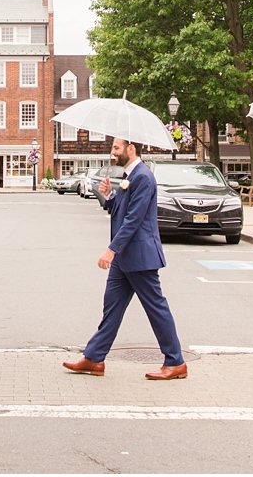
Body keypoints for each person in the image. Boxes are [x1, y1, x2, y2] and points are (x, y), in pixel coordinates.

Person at [63, 136, 186, 380]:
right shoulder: (129, 177)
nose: (113, 152)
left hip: (140, 256)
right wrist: (107, 195)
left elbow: (134, 219)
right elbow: (118, 210)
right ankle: (94, 358)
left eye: (116, 148)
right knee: (112, 308)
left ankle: (175, 362)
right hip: (124, 258)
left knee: (156, 308)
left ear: (131, 148)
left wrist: (111, 249)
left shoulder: (143, 177)